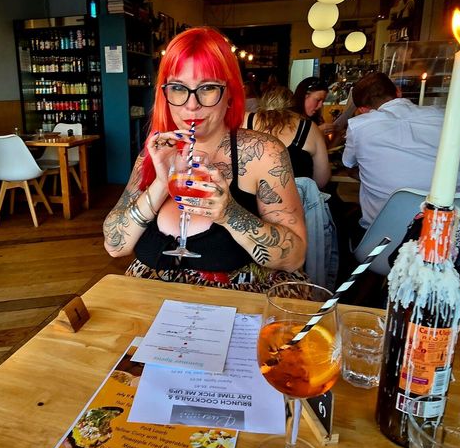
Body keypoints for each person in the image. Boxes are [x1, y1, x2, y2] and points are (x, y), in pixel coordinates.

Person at [103, 27, 308, 291]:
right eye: (178, 88)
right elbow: (115, 246)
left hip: (239, 301)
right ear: (165, 94)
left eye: (208, 87)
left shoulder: (263, 153)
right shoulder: (154, 154)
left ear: (231, 93)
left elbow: (295, 257)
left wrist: (230, 214)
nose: (192, 105)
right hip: (150, 300)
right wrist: (161, 183)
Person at [342, 72, 460, 229]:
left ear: (363, 110)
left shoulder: (359, 126)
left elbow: (349, 166)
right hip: (452, 237)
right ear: (398, 91)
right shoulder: (449, 119)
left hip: (385, 242)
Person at [243, 86, 330, 188]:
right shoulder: (309, 128)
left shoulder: (245, 121)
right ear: (293, 105)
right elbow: (321, 180)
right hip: (297, 196)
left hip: (250, 197)